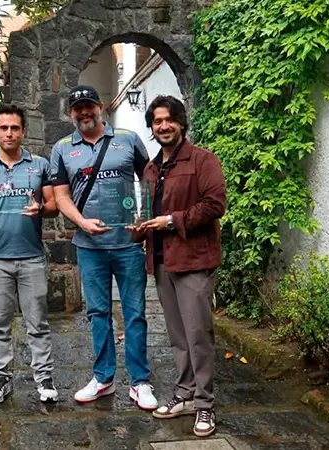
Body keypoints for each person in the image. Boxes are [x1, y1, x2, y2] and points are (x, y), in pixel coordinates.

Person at [49, 85, 158, 410]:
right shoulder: (62, 148)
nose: (84, 112)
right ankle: (103, 377)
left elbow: (149, 180)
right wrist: (81, 223)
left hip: (127, 244)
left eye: (89, 105)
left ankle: (140, 381)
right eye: (77, 108)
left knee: (135, 313)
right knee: (98, 313)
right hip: (89, 246)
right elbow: (61, 196)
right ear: (71, 113)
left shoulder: (128, 139)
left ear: (100, 107)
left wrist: (144, 217)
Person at [136, 95, 226, 437]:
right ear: (152, 127)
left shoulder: (202, 159)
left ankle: (205, 404)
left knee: (198, 334)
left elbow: (215, 204)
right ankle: (186, 393)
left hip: (194, 260)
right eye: (157, 121)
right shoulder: (150, 168)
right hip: (162, 260)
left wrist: (172, 221)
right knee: (177, 335)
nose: (163, 126)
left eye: (169, 120)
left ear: (181, 123)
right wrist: (139, 226)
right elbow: (147, 211)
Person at [0, 105, 59, 404]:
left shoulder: (40, 165)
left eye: (15, 128)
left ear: (23, 132)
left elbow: (54, 205)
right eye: (3, 128)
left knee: (38, 323)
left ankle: (44, 378)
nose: (9, 133)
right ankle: (1, 378)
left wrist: (41, 208)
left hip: (31, 257)